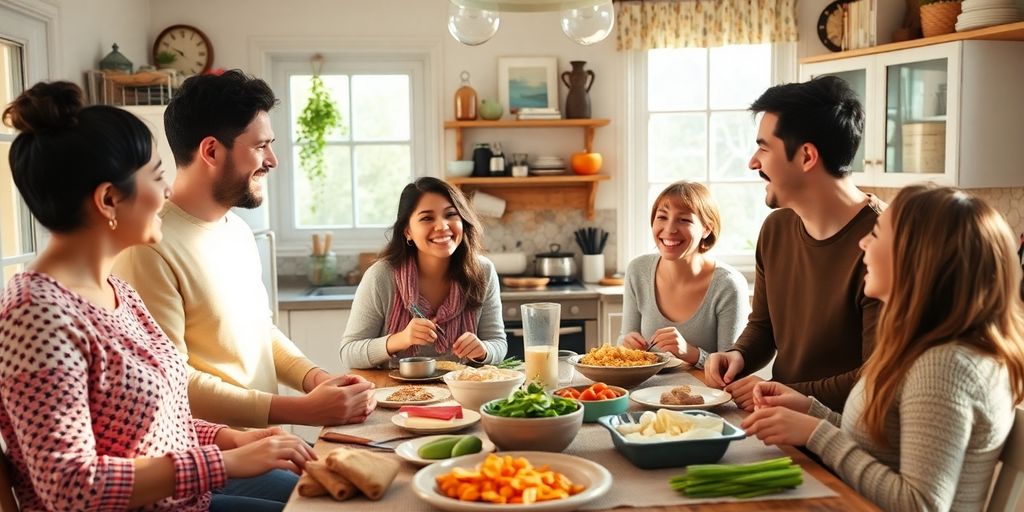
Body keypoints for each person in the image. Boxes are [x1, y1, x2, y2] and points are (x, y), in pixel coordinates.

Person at [0, 81, 315, 511]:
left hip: (188, 500)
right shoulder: (35, 315)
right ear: (109, 200)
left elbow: (159, 422)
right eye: (156, 175)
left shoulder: (117, 293)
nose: (168, 192)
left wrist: (230, 439)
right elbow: (71, 487)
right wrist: (222, 462)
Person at [112, 70, 375, 429]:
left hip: (265, 446)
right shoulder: (147, 248)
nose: (272, 160)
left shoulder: (236, 231)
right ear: (211, 151)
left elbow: (259, 331)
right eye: (259, 146)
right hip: (213, 461)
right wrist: (302, 411)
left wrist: (316, 379)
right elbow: (174, 381)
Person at [741, 185, 1024, 511]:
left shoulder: (945, 367)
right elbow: (881, 450)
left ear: (917, 258)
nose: (863, 243)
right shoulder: (921, 349)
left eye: (876, 234)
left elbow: (922, 504)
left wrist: (817, 434)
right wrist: (810, 410)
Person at [704, 76, 883, 411]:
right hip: (781, 423)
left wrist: (780, 390)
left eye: (764, 147)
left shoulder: (886, 244)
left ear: (806, 157)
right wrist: (737, 355)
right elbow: (764, 326)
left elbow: (876, 378)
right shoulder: (776, 229)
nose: (753, 162)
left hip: (845, 440)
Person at [340, 177, 507, 368]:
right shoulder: (381, 277)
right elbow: (349, 352)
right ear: (407, 231)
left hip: (464, 391)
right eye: (427, 218)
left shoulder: (483, 271)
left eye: (451, 214)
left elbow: (498, 344)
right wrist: (401, 339)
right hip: (395, 394)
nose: (442, 226)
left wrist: (483, 351)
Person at [618, 181, 749, 368]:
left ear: (707, 228)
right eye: (662, 217)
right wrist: (625, 344)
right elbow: (624, 342)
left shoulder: (728, 285)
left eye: (684, 220)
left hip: (706, 394)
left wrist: (691, 353)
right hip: (643, 393)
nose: (669, 229)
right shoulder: (637, 270)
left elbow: (731, 369)